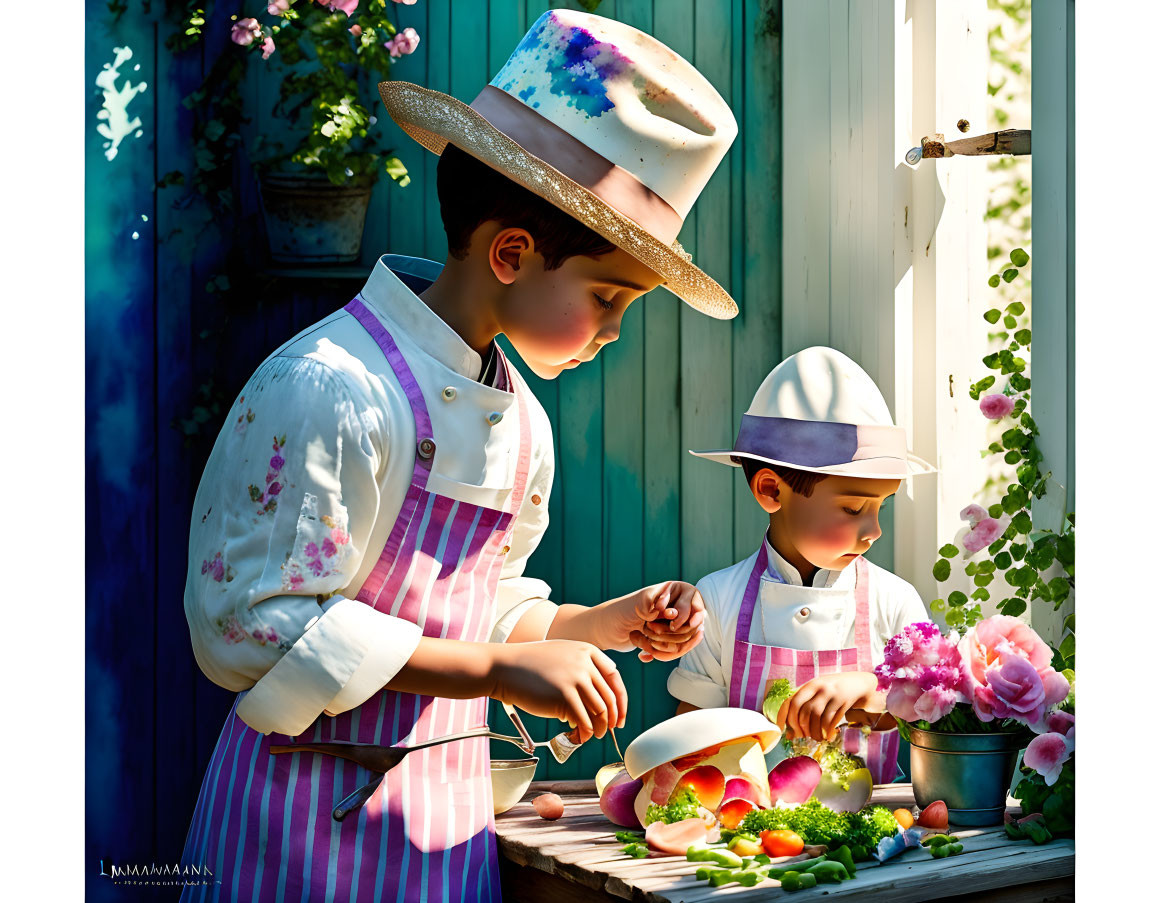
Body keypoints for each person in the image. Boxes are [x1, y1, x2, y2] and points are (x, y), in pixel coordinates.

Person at [180, 8, 740, 901]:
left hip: (444, 829)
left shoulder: (522, 424)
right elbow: (251, 626)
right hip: (295, 829)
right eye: (607, 298)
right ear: (512, 252)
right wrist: (495, 669)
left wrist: (592, 625)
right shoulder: (329, 388)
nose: (613, 332)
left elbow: (485, 609)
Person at [667, 346, 936, 784]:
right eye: (852, 509)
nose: (874, 531)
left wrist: (872, 689)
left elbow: (935, 711)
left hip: (874, 834)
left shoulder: (894, 601)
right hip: (749, 830)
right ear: (771, 491)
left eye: (881, 507)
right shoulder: (716, 599)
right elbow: (690, 733)